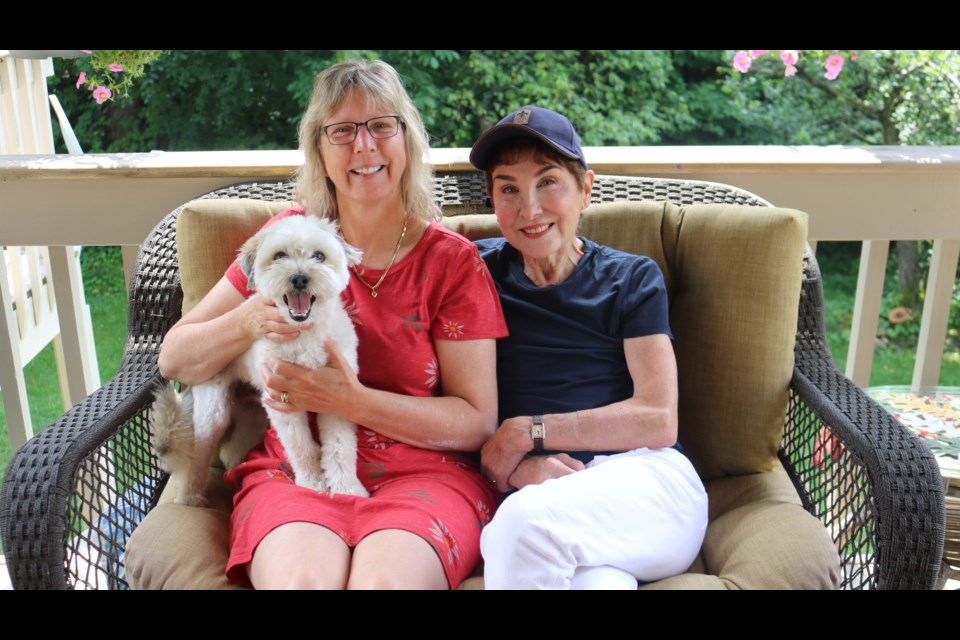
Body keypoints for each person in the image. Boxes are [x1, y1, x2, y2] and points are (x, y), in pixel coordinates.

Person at [158, 60, 507, 590]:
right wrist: (250, 316)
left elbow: (477, 421)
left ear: (407, 141)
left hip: (424, 477)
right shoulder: (282, 241)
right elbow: (175, 358)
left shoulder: (452, 263)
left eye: (381, 126)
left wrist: (350, 400)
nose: (364, 146)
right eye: (342, 130)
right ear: (319, 150)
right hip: (296, 470)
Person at [470, 106, 709, 590]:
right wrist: (522, 469)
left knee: (520, 528)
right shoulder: (474, 273)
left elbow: (658, 418)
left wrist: (527, 432)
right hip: (553, 496)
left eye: (548, 182)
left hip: (647, 480)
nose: (529, 208)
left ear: (586, 188)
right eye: (508, 188)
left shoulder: (630, 278)